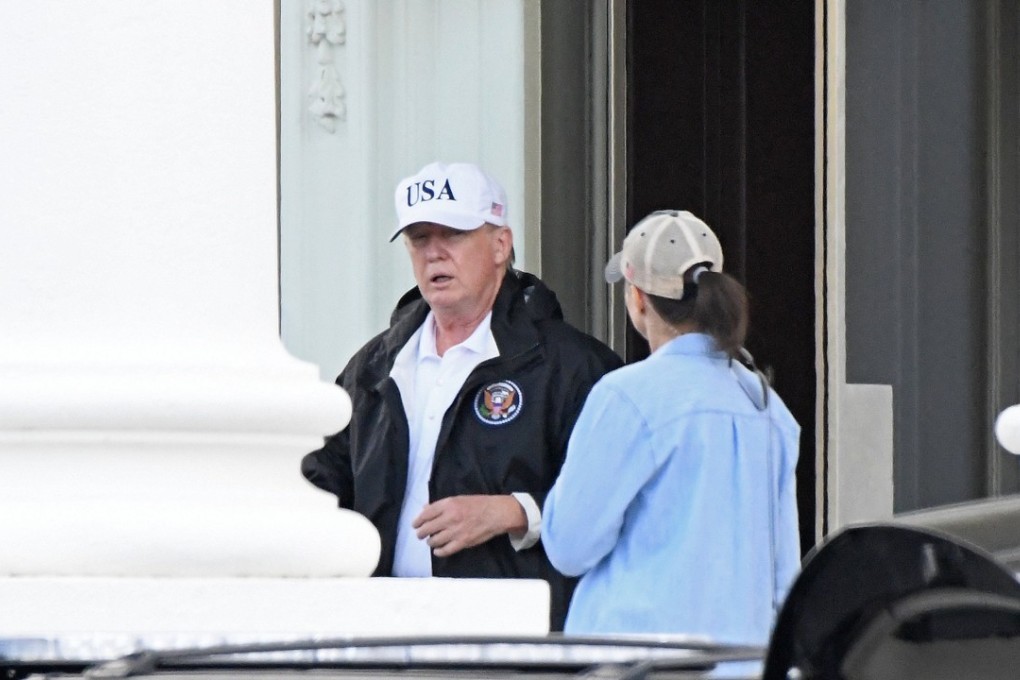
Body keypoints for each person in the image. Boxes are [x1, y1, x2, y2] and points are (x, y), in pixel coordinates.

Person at [301, 161, 623, 630]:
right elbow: (321, 478)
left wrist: (512, 512)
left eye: (451, 235)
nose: (434, 255)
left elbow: (612, 500)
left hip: (512, 641)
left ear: (500, 245)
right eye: (419, 239)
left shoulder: (571, 366)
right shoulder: (374, 366)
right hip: (384, 634)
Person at [541, 209, 800, 644]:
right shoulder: (768, 408)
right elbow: (783, 577)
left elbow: (569, 547)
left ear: (637, 298)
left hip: (637, 663)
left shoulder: (625, 397)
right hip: (741, 665)